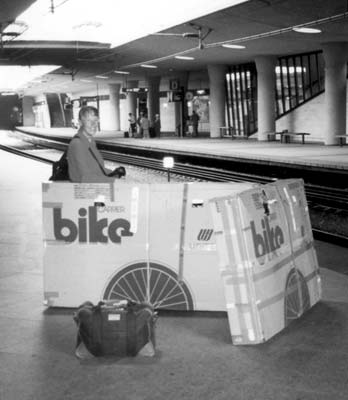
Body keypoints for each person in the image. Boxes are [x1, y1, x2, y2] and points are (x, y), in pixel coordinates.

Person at [67, 106, 125, 183]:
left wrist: (114, 173)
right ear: (80, 122)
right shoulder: (77, 144)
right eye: (88, 120)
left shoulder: (90, 141)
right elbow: (84, 178)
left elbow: (98, 169)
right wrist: (114, 181)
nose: (93, 124)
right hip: (83, 190)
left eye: (95, 120)